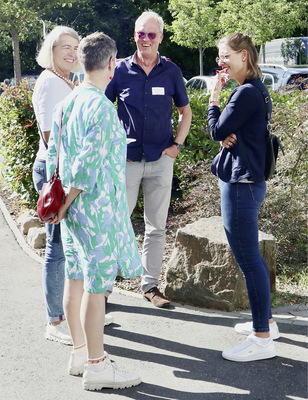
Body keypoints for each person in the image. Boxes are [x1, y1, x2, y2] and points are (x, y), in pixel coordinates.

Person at [47, 32, 142, 390]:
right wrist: (67, 203)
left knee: (75, 276)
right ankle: (98, 366)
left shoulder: (67, 103)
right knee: (96, 286)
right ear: (111, 64)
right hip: (95, 210)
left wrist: (59, 206)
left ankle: (80, 352)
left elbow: (54, 156)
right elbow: (86, 169)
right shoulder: (102, 108)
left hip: (72, 212)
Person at [105, 10, 192, 308]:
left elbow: (185, 112)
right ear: (134, 36)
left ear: (161, 39)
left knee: (156, 226)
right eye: (141, 33)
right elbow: (102, 108)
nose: (145, 39)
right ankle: (103, 289)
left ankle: (150, 287)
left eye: (151, 34)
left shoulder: (171, 71)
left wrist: (176, 146)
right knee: (117, 222)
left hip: (160, 160)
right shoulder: (119, 70)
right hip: (127, 161)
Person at [207, 33, 280, 362]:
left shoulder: (244, 93)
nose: (221, 62)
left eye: (226, 56)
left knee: (250, 261)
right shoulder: (256, 90)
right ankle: (267, 322)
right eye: (219, 56)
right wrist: (225, 132)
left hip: (241, 184)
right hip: (249, 181)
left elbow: (217, 131)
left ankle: (261, 338)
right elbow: (227, 133)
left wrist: (213, 98)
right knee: (253, 260)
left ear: (244, 57)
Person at [32, 26, 81, 345]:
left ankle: (72, 314)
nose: (72, 52)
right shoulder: (50, 83)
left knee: (68, 247)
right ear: (51, 49)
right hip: (55, 173)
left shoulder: (67, 81)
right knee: (57, 248)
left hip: (66, 172)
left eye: (76, 47)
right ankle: (54, 320)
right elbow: (52, 138)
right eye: (65, 47)